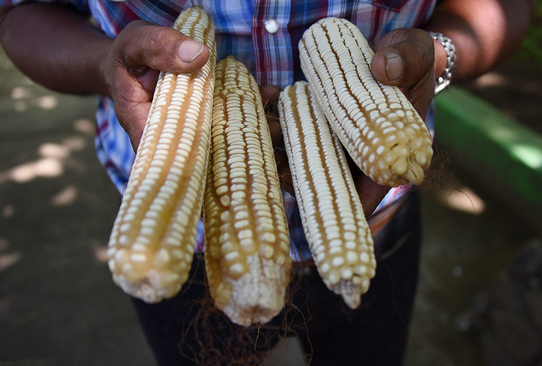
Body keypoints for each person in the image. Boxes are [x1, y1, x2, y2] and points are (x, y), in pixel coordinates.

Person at [0, 0, 534, 365]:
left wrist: (441, 55)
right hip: (188, 249)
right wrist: (102, 62)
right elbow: (22, 12)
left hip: (377, 228)